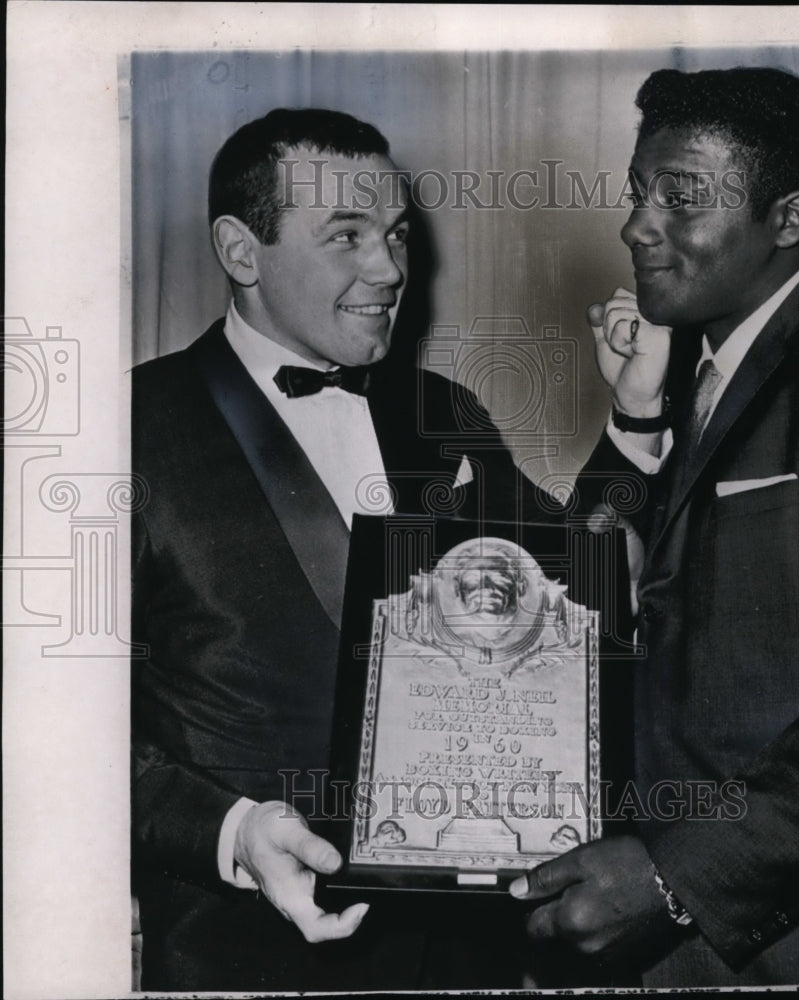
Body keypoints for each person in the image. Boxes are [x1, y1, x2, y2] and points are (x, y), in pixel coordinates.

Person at [511, 67, 799, 988]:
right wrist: (634, 419)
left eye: (680, 197)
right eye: (636, 193)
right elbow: (572, 615)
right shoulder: (696, 372)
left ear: (790, 218)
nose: (634, 225)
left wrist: (672, 878)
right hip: (683, 950)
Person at [131, 107, 553, 991]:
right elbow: (48, 737)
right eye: (348, 236)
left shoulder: (450, 413)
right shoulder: (120, 432)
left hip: (472, 958)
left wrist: (635, 425)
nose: (390, 269)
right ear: (242, 252)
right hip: (243, 959)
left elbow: (572, 590)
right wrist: (231, 830)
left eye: (395, 234)